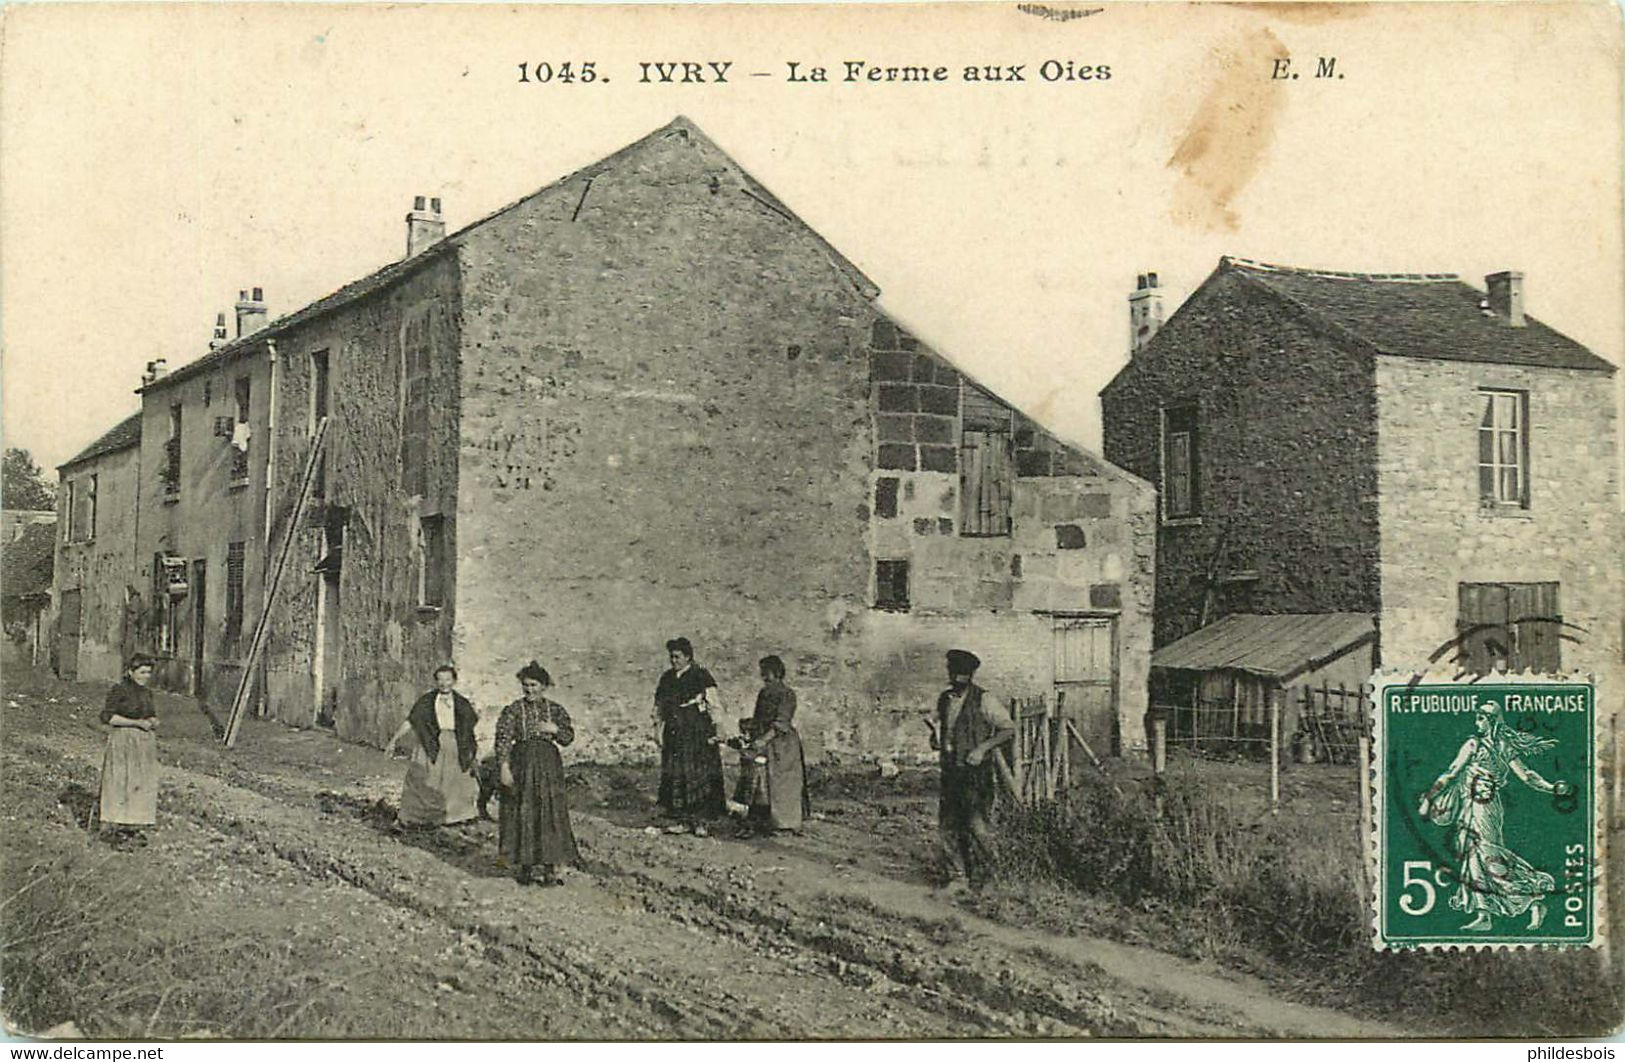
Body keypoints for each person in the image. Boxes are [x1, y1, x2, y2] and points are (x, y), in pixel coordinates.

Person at [1418, 703, 1570, 932]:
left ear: (1492, 721)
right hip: (1470, 806)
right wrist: (1430, 798)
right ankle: (1485, 914)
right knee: (1473, 856)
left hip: (1485, 808)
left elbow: (1527, 776)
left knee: (1488, 855)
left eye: (1480, 718)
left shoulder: (1495, 746)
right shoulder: (1478, 744)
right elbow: (1452, 772)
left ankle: (1531, 898)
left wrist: (1551, 788)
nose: (1476, 723)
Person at [926, 649, 1015, 893]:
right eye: (953, 673)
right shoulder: (945, 699)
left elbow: (1008, 729)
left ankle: (991, 877)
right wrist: (935, 739)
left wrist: (982, 749)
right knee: (948, 825)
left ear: (970, 675)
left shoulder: (984, 700)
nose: (956, 679)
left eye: (961, 675)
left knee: (977, 826)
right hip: (951, 771)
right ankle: (957, 878)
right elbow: (941, 731)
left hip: (975, 774)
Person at [494, 661, 580, 886]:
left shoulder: (556, 710)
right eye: (526, 686)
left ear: (544, 686)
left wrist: (556, 730)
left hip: (549, 765)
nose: (529, 690)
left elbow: (568, 737)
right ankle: (526, 866)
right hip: (522, 763)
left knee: (549, 811)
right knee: (524, 810)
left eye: (534, 685)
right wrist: (504, 767)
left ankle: (550, 867)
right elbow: (502, 740)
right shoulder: (513, 710)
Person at [388, 664, 480, 828]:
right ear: (436, 682)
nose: (444, 683)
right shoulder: (427, 701)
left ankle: (455, 816)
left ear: (454, 681)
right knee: (423, 779)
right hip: (430, 743)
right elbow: (411, 721)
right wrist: (394, 740)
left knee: (455, 781)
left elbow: (469, 726)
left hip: (454, 744)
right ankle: (417, 816)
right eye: (440, 680)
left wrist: (470, 750)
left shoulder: (461, 703)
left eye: (448, 679)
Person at [726, 655, 809, 837]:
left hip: (781, 744)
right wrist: (748, 726)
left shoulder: (787, 694)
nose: (764, 676)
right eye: (763, 673)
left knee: (780, 783)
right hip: (763, 739)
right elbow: (759, 718)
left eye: (767, 673)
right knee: (758, 783)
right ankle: (760, 820)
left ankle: (783, 823)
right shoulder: (764, 693)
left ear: (777, 672)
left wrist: (764, 740)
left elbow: (781, 722)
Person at [653, 636, 726, 836]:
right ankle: (682, 820)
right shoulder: (667, 678)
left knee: (699, 775)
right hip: (675, 734)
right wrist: (657, 731)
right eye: (671, 657)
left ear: (688, 657)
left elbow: (714, 705)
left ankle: (701, 822)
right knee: (677, 775)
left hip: (697, 733)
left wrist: (719, 728)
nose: (673, 661)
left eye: (677, 657)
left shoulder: (701, 676)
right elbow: (659, 707)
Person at [99, 654, 159, 847]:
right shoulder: (119, 690)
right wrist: (136, 723)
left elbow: (150, 714)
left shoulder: (147, 693)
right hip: (123, 740)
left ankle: (132, 827)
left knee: (139, 783)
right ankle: (114, 830)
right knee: (120, 781)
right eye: (142, 672)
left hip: (143, 743)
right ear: (130, 672)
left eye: (148, 672)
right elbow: (107, 717)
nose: (145, 676)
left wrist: (152, 721)